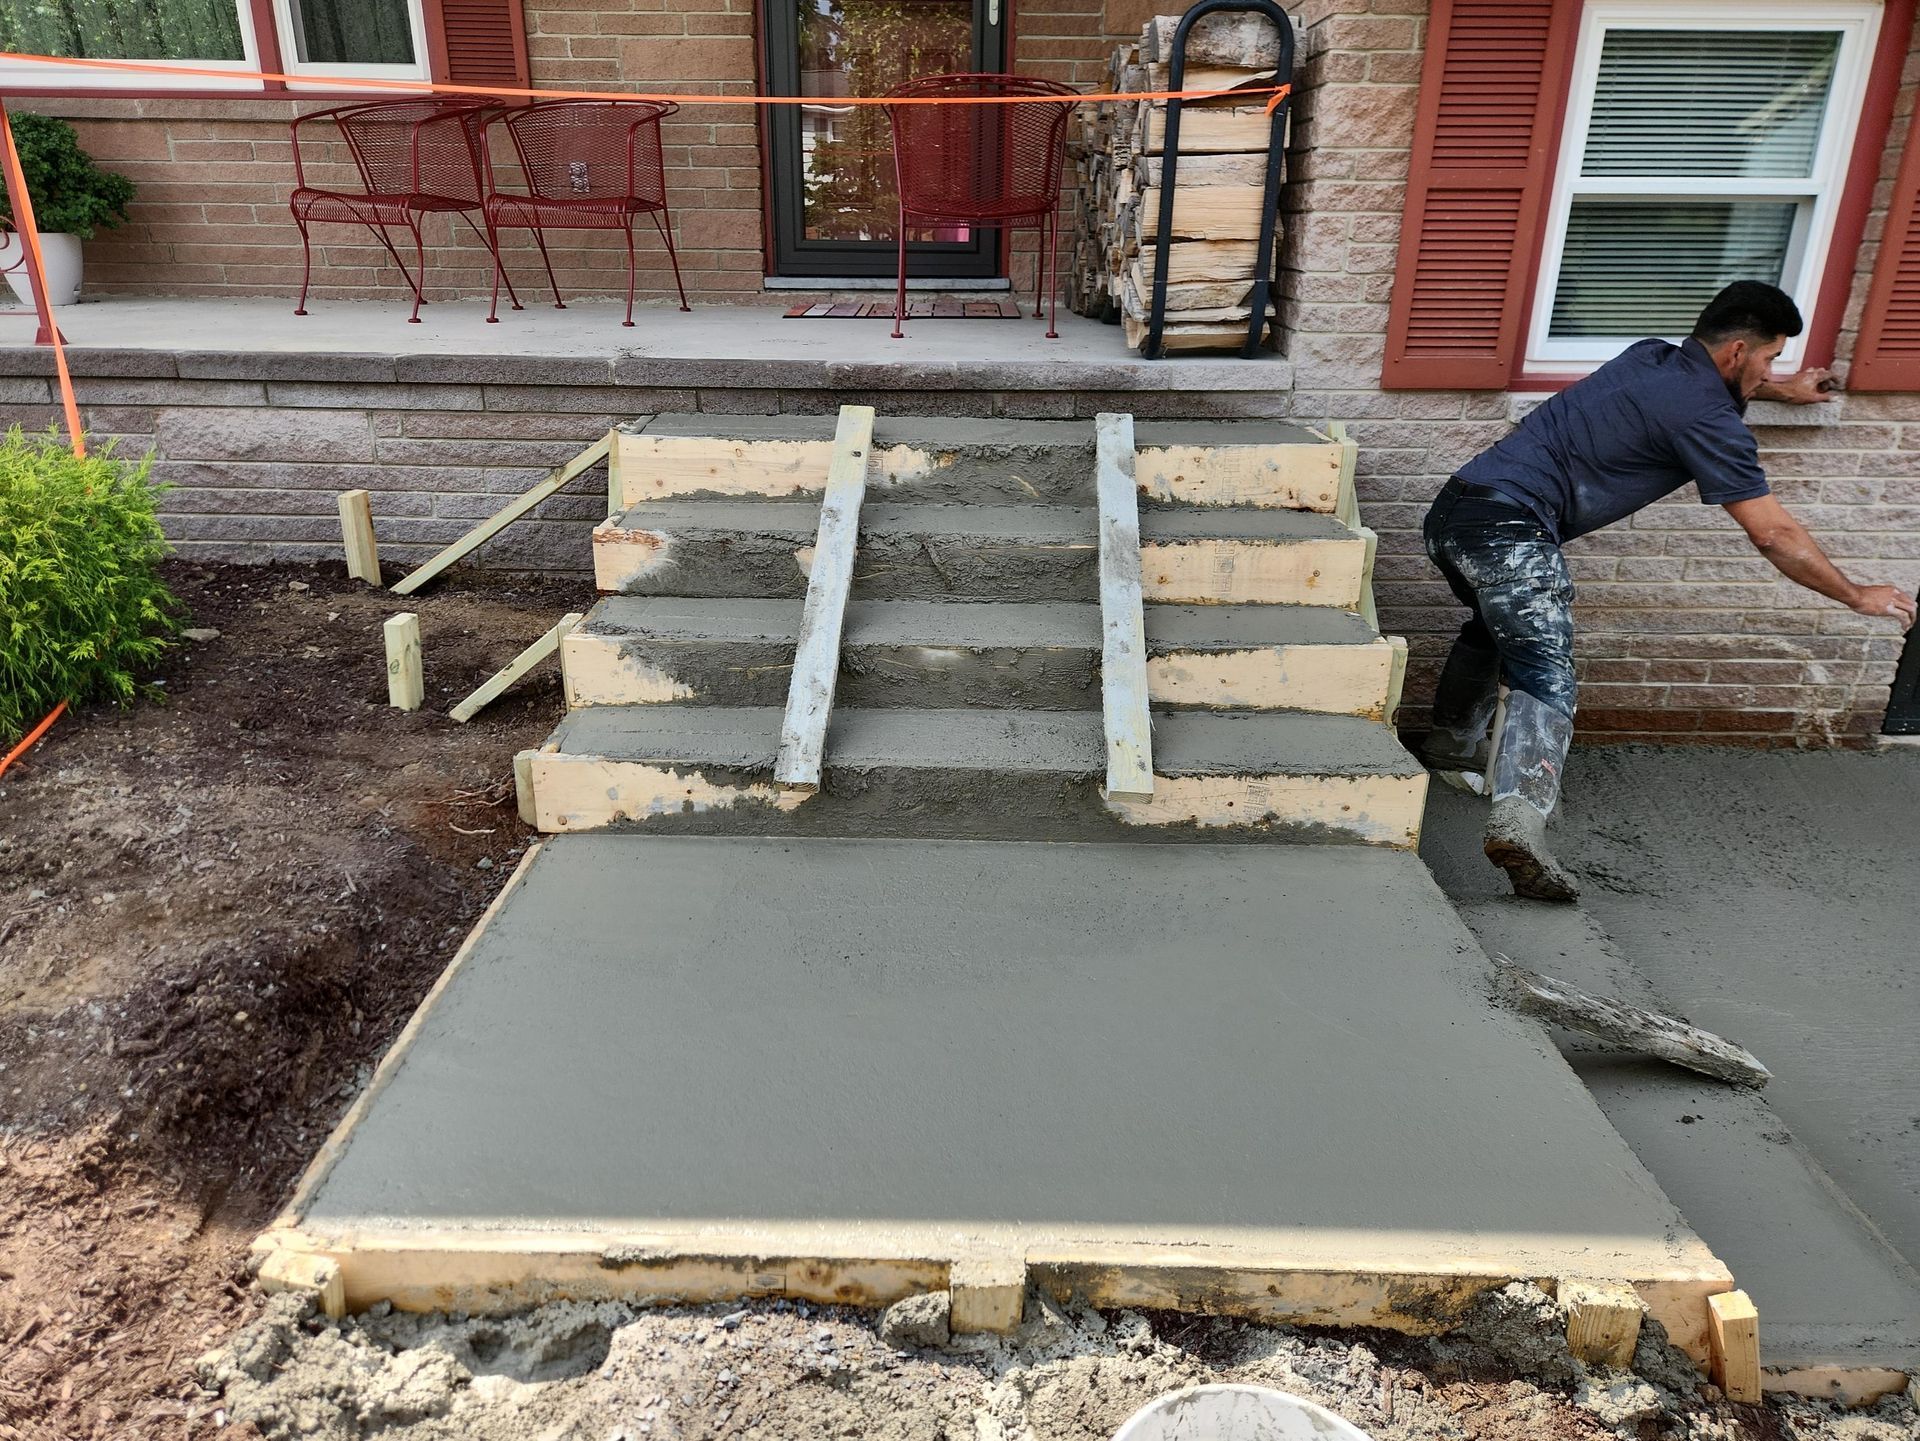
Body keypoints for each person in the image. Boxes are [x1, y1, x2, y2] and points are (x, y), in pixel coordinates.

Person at [1422, 280, 1918, 902]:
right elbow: (1774, 534)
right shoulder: (1709, 420)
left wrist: (1781, 390)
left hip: (1453, 513)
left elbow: (1696, 393)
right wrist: (1855, 595)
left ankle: (1449, 745)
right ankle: (1519, 824)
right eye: (1770, 359)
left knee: (1495, 625)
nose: (1772, 371)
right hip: (1507, 531)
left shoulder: (1649, 356)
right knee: (1545, 669)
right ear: (1737, 352)